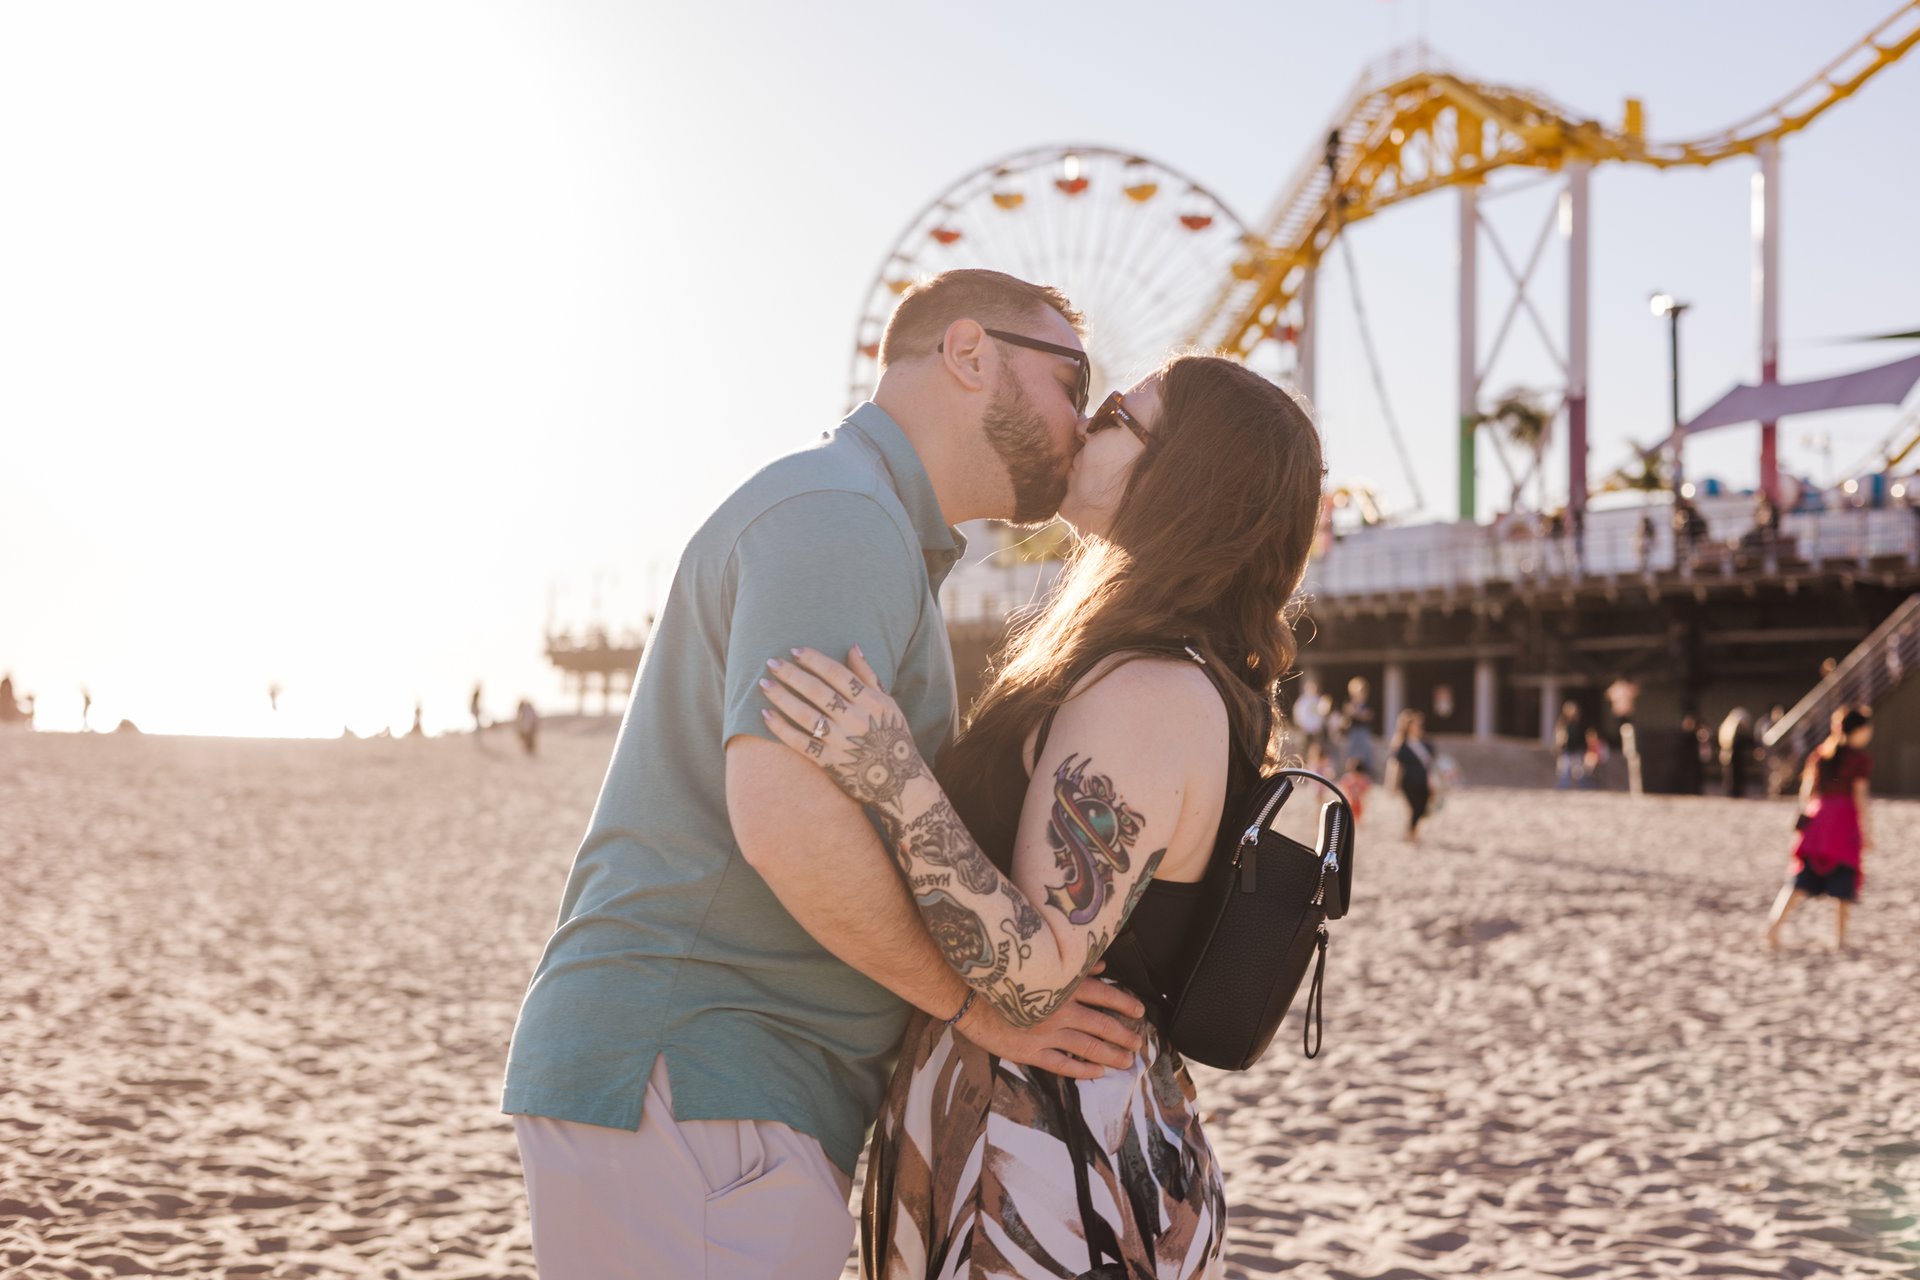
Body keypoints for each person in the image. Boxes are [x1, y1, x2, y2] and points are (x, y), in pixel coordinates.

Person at [501, 270, 1144, 1279]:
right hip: (702, 1069)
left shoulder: (854, 513)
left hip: (715, 1086)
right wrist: (973, 1008)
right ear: (969, 353)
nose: (1081, 421)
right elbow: (786, 817)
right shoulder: (842, 516)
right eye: (1074, 381)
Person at [760, 354, 1324, 1278]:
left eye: (1118, 413)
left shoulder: (1148, 692)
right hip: (1044, 1135)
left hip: (1045, 1163)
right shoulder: (1170, 671)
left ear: (1182, 475)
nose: (1086, 423)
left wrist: (891, 769)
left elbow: (1032, 980)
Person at [1766, 706, 1875, 950]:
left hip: (1818, 822)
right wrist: (1867, 832)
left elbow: (1807, 792)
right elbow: (1860, 797)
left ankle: (1773, 928)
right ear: (1858, 731)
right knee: (1844, 882)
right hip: (1843, 824)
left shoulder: (1822, 753)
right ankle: (1840, 939)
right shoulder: (1859, 760)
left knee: (1800, 880)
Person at [1388, 709, 1434, 843]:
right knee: (1415, 808)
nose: (1417, 727)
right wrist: (1393, 785)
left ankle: (1411, 831)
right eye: (1414, 725)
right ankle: (1410, 832)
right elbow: (1396, 766)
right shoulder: (1402, 745)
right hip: (1409, 781)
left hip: (1424, 781)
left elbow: (1431, 763)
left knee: (1423, 807)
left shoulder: (1425, 743)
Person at [1341, 676, 1377, 775]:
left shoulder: (1368, 703)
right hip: (1353, 731)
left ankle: (1367, 771)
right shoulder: (1349, 703)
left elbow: (1369, 715)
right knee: (1352, 751)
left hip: (1364, 730)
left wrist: (1357, 714)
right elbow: (1348, 715)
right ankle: (1351, 771)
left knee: (1366, 751)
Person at [1718, 707, 1756, 798]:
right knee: (1731, 775)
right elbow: (1729, 743)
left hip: (1736, 756)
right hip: (1730, 754)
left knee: (1738, 775)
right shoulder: (1730, 728)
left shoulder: (1734, 729)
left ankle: (1737, 792)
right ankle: (1732, 792)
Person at [1292, 678, 1327, 768]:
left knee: (1316, 750)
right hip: (1305, 730)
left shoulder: (1319, 700)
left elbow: (1322, 715)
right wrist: (1302, 726)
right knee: (1304, 749)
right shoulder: (1302, 701)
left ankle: (1314, 767)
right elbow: (1298, 714)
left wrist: (1319, 727)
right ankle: (1302, 767)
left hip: (1316, 731)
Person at [1553, 700, 1587, 789]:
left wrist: (1584, 748)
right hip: (1566, 749)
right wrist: (1557, 746)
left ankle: (1582, 787)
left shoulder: (1580, 723)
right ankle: (1563, 787)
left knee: (1579, 769)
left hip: (1577, 748)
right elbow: (1558, 736)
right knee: (1564, 769)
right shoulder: (1562, 723)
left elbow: (1583, 736)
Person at [1339, 756, 1374, 824]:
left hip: (1359, 802)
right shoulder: (1348, 779)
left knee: (1358, 815)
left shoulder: (1364, 780)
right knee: (1349, 815)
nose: (1357, 777)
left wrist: (1363, 794)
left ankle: (1356, 823)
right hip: (1350, 801)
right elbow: (1343, 786)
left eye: (1359, 775)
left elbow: (1368, 787)